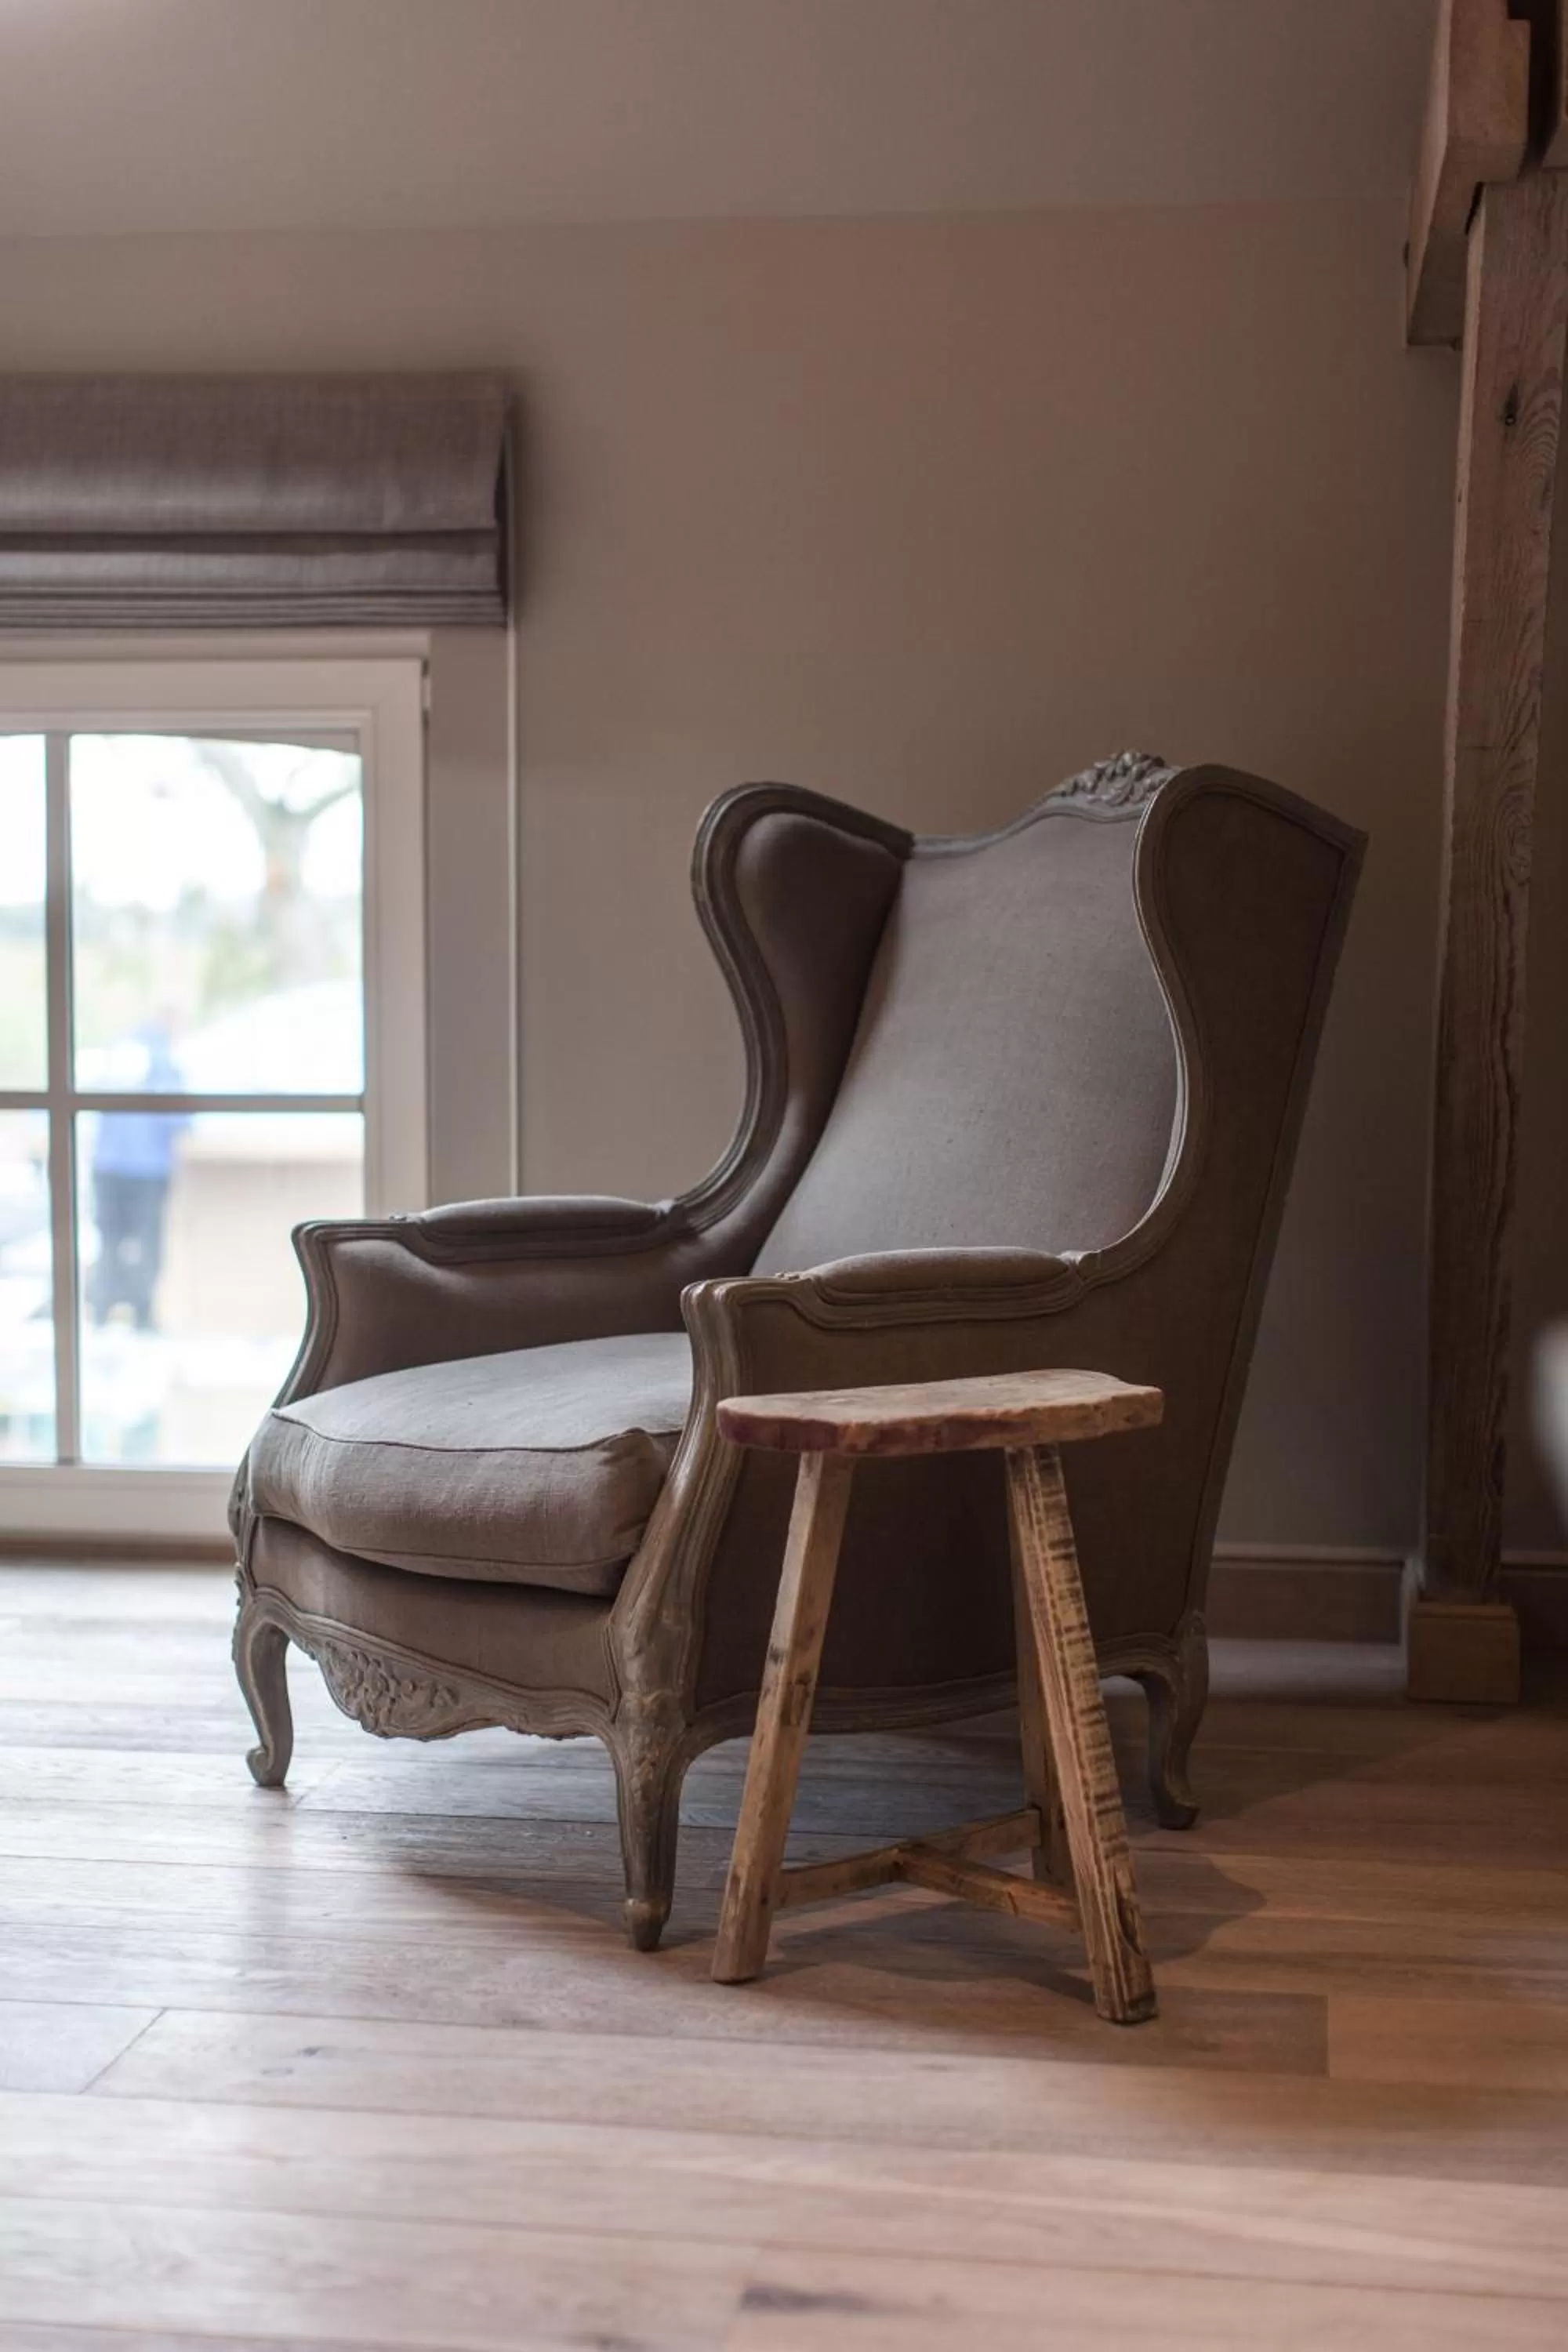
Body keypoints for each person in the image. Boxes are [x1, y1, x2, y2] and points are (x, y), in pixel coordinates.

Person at [88, 1020, 190, 1333]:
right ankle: (142, 1315)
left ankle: (102, 1312)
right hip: (148, 1169)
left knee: (109, 1241)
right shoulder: (164, 1067)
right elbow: (181, 1121)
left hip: (108, 1167)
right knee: (146, 1244)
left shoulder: (117, 1060)